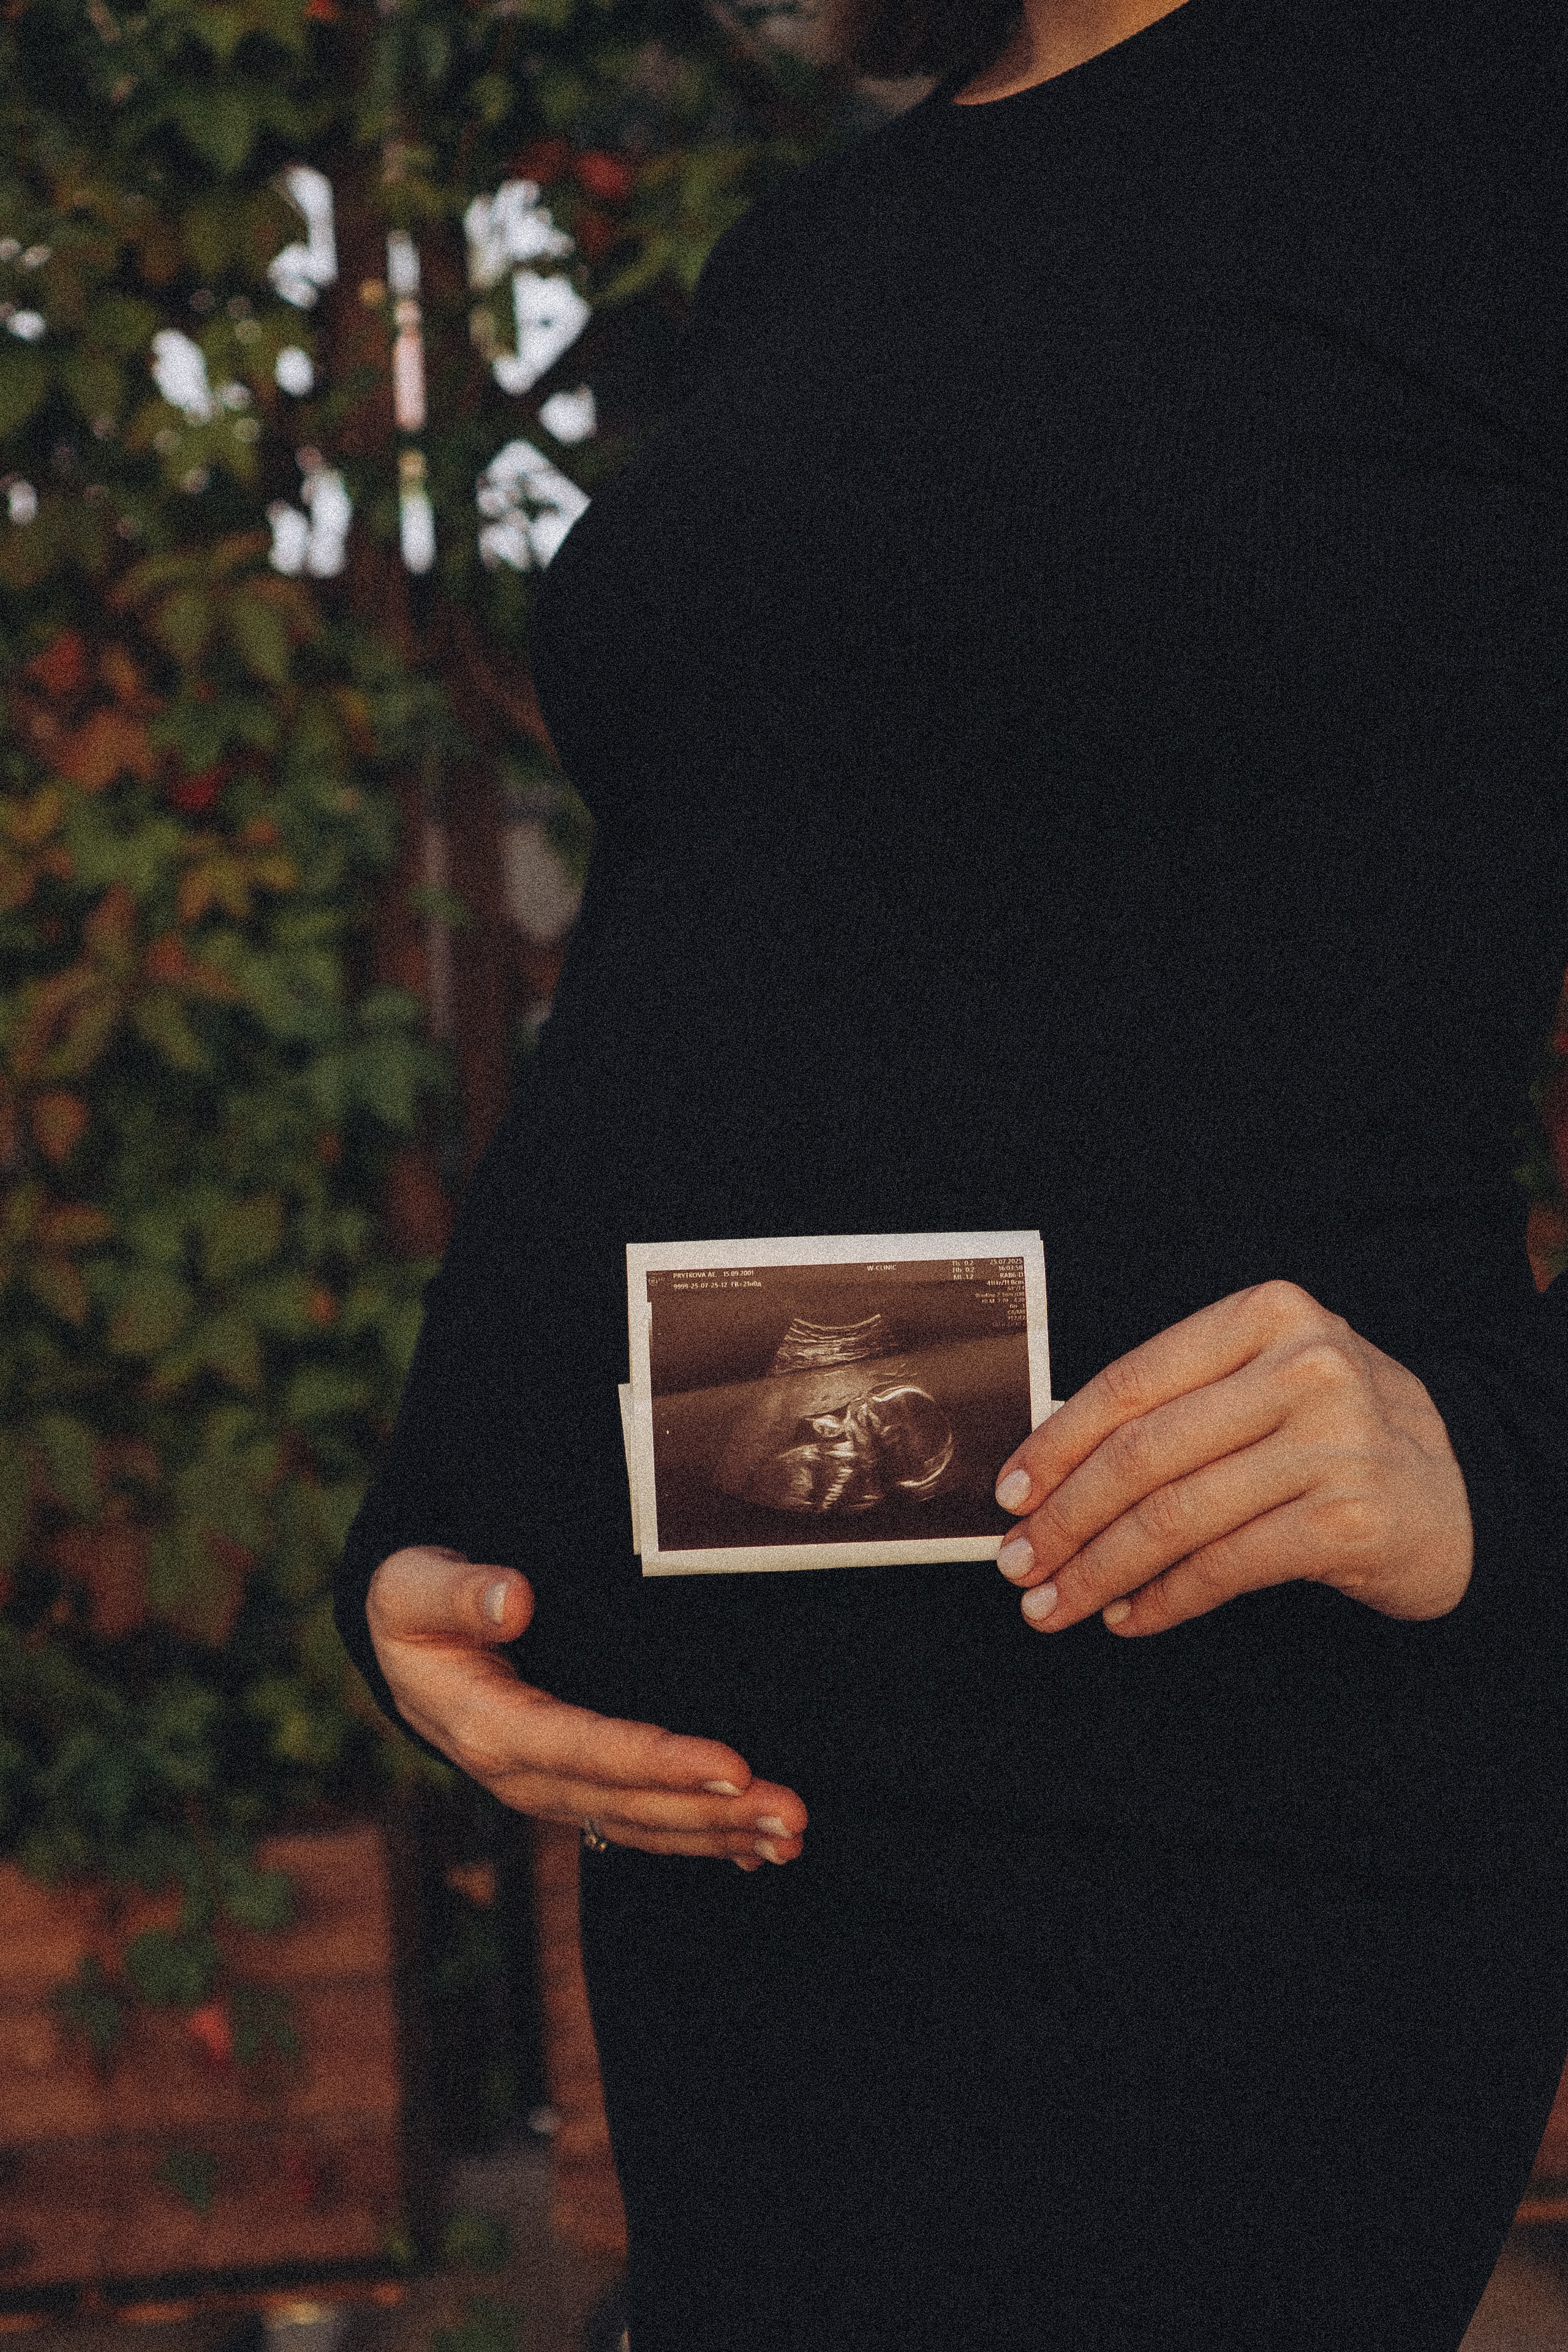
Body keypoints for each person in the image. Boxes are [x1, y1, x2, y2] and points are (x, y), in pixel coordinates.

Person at [334, 0, 1568, 2342]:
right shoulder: (818, 241)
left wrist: (1510, 1461)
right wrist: (434, 1524)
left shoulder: (1499, 123)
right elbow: (705, 926)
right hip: (745, 1818)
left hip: (1216, 1794)